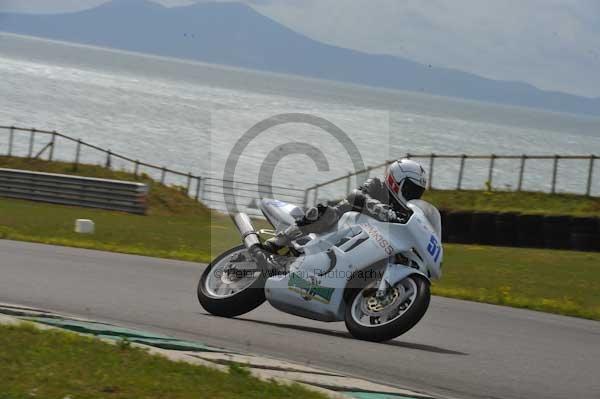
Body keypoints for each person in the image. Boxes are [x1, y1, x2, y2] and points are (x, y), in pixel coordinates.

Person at [265, 158, 428, 251]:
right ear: (396, 180)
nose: (412, 195)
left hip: (367, 242)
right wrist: (384, 211)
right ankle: (279, 240)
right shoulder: (377, 185)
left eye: (417, 192)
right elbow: (356, 195)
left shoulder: (404, 214)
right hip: (339, 225)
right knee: (324, 212)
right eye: (410, 189)